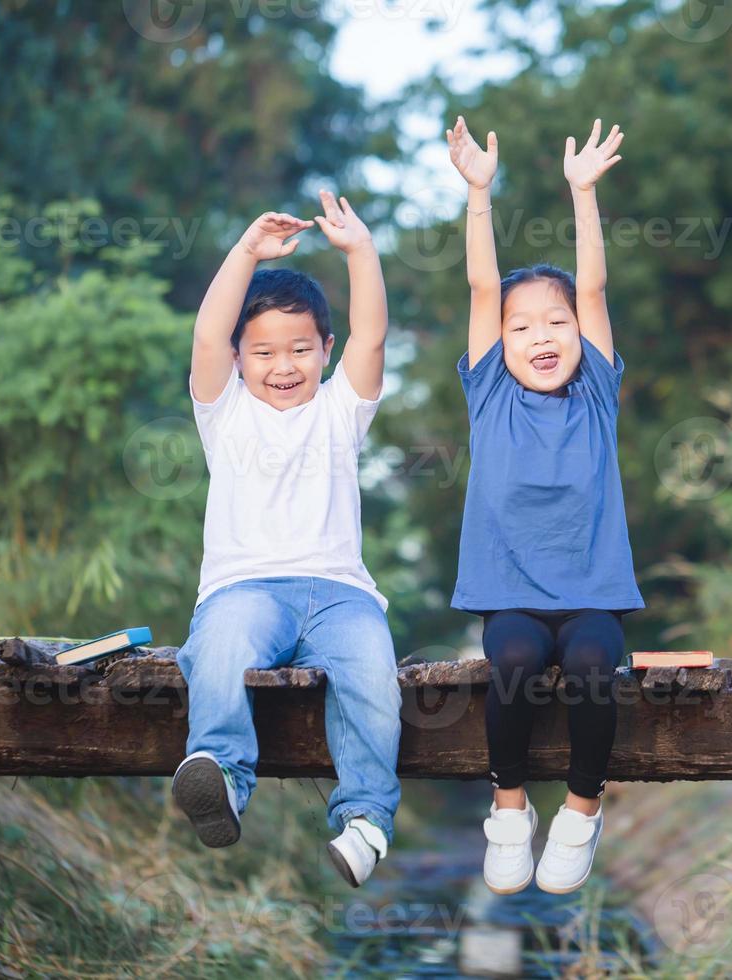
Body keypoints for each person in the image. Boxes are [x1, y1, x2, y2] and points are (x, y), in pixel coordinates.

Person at [172, 190, 400, 889]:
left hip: (341, 596)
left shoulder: (340, 412)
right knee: (220, 647)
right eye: (264, 351)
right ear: (240, 358)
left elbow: (373, 337)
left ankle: (366, 822)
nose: (284, 364)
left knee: (372, 678)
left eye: (301, 349)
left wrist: (361, 251)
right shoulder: (226, 415)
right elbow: (206, 335)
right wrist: (245, 251)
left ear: (325, 351)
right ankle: (222, 777)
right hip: (245, 588)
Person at [446, 115, 644, 895]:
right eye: (522, 326)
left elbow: (591, 285)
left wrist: (582, 194)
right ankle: (508, 810)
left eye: (556, 323)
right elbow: (482, 286)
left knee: (596, 665)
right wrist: (477, 194)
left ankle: (583, 812)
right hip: (514, 598)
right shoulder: (489, 392)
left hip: (591, 596)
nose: (541, 335)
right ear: (499, 342)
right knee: (518, 663)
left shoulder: (596, 393)